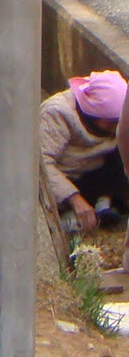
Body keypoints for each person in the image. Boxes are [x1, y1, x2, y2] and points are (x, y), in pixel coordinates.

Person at [39, 70, 129, 234]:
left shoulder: (116, 125)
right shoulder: (58, 113)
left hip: (94, 170)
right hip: (65, 178)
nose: (115, 126)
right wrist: (75, 199)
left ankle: (107, 202)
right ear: (94, 112)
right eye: (112, 122)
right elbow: (42, 166)